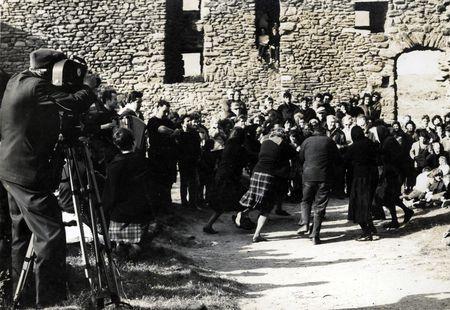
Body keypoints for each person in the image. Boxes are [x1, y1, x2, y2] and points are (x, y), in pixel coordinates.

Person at [0, 48, 96, 307]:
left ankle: (23, 297)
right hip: (27, 173)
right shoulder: (37, 88)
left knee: (21, 233)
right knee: (51, 234)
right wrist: (88, 86)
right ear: (48, 71)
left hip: (11, 169)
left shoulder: (17, 80)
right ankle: (50, 302)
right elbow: (72, 102)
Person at [236, 128, 296, 242]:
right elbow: (294, 154)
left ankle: (243, 213)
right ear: (283, 136)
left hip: (257, 172)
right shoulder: (283, 144)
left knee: (255, 199)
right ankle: (257, 235)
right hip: (268, 175)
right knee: (267, 206)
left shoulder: (265, 142)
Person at [103, 128, 153, 258]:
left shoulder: (114, 166)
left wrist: (105, 211)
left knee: (120, 245)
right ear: (133, 141)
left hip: (119, 213)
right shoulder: (143, 162)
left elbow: (110, 194)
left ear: (116, 145)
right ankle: (134, 247)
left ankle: (121, 246)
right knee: (136, 245)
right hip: (140, 212)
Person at [297, 124, 340, 245]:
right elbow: (337, 159)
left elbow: (300, 158)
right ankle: (315, 235)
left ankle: (305, 223)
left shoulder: (306, 141)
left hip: (308, 176)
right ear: (324, 132)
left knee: (305, 201)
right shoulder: (329, 141)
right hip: (324, 177)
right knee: (319, 206)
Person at [204, 128, 248, 234]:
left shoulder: (228, 145)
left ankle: (209, 224)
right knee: (242, 198)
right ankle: (241, 219)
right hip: (231, 178)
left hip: (221, 176)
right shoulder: (239, 148)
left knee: (222, 202)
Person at [371, 125, 414, 230]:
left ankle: (396, 219)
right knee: (391, 197)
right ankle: (404, 213)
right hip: (394, 173)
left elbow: (391, 159)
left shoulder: (388, 142)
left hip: (394, 174)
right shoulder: (388, 140)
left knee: (387, 196)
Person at [344, 126, 379, 241]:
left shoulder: (353, 147)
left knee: (358, 205)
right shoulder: (370, 143)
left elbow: (345, 162)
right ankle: (372, 227)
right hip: (373, 176)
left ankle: (366, 232)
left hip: (360, 178)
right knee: (367, 203)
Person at [146, 100, 178, 213]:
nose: (166, 114)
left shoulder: (168, 121)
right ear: (158, 107)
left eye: (167, 112)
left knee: (168, 182)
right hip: (157, 156)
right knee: (157, 182)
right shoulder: (152, 121)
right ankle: (157, 207)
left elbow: (175, 130)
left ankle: (167, 205)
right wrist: (173, 132)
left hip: (168, 156)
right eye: (164, 111)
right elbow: (161, 129)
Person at [176, 115, 201, 209]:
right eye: (187, 121)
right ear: (182, 123)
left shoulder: (194, 133)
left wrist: (198, 157)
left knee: (193, 182)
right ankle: (184, 203)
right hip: (183, 161)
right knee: (184, 182)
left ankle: (192, 203)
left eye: (190, 121)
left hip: (193, 160)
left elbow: (198, 147)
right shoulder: (179, 133)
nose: (189, 122)